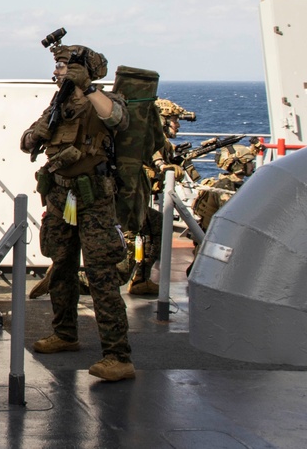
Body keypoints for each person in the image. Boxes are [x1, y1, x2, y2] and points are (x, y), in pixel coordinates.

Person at [20, 42, 135, 382]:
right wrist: (33, 135)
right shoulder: (57, 106)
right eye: (57, 66)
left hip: (94, 198)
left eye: (65, 66)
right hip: (60, 195)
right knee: (61, 265)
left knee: (101, 275)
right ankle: (65, 332)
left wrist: (87, 88)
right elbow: (26, 142)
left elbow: (117, 119)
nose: (58, 72)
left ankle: (118, 355)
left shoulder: (103, 100)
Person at [126, 98, 198, 296]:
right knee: (121, 262)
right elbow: (158, 165)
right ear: (163, 121)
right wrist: (168, 169)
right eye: (174, 120)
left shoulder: (160, 143)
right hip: (129, 203)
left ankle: (141, 279)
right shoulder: (150, 140)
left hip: (136, 201)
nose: (178, 124)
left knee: (155, 227)